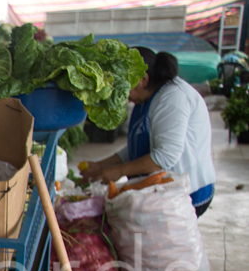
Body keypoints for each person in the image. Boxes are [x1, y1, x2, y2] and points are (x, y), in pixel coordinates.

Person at [81, 47, 215, 217]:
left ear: (143, 79)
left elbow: (165, 157)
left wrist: (118, 172)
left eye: (125, 85)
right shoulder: (146, 98)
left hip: (189, 192)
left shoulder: (172, 98)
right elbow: (137, 148)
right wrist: (101, 165)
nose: (123, 94)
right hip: (163, 191)